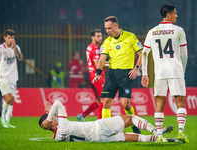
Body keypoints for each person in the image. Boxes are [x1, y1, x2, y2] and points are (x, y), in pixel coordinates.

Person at [141, 4, 189, 143]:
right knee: (180, 102)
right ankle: (180, 132)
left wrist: (145, 73)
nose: (176, 15)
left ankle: (160, 136)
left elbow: (144, 53)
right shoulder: (179, 31)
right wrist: (183, 70)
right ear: (167, 15)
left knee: (159, 103)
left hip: (160, 72)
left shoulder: (152, 31)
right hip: (175, 70)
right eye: (174, 13)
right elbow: (184, 55)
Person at [92, 16, 143, 134]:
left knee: (125, 105)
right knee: (105, 102)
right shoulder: (107, 41)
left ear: (116, 26)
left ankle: (134, 124)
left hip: (126, 74)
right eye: (106, 28)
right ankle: (106, 130)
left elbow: (142, 54)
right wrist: (98, 72)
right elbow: (101, 58)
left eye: (110, 28)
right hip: (112, 74)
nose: (108, 31)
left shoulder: (130, 37)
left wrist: (136, 68)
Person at [39, 100, 176, 143]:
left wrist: (50, 117)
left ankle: (163, 140)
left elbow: (58, 122)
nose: (55, 118)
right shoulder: (61, 124)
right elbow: (57, 102)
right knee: (131, 118)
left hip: (100, 139)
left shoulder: (58, 137)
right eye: (52, 119)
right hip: (99, 127)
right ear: (50, 123)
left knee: (136, 138)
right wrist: (50, 115)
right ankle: (157, 131)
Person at [77, 29, 106, 121]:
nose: (100, 38)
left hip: (91, 75)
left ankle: (83, 115)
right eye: (98, 36)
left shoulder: (89, 47)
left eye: (101, 36)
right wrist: (110, 64)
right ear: (92, 37)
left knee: (98, 100)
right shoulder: (96, 49)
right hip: (97, 77)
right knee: (104, 100)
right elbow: (97, 64)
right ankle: (100, 121)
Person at [0, 29, 23, 128]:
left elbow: (20, 58)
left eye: (12, 38)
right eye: (9, 38)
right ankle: (2, 117)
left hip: (13, 77)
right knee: (7, 99)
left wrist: (15, 48)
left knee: (11, 99)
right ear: (5, 38)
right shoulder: (0, 49)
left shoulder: (16, 48)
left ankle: (7, 120)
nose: (11, 40)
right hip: (3, 77)